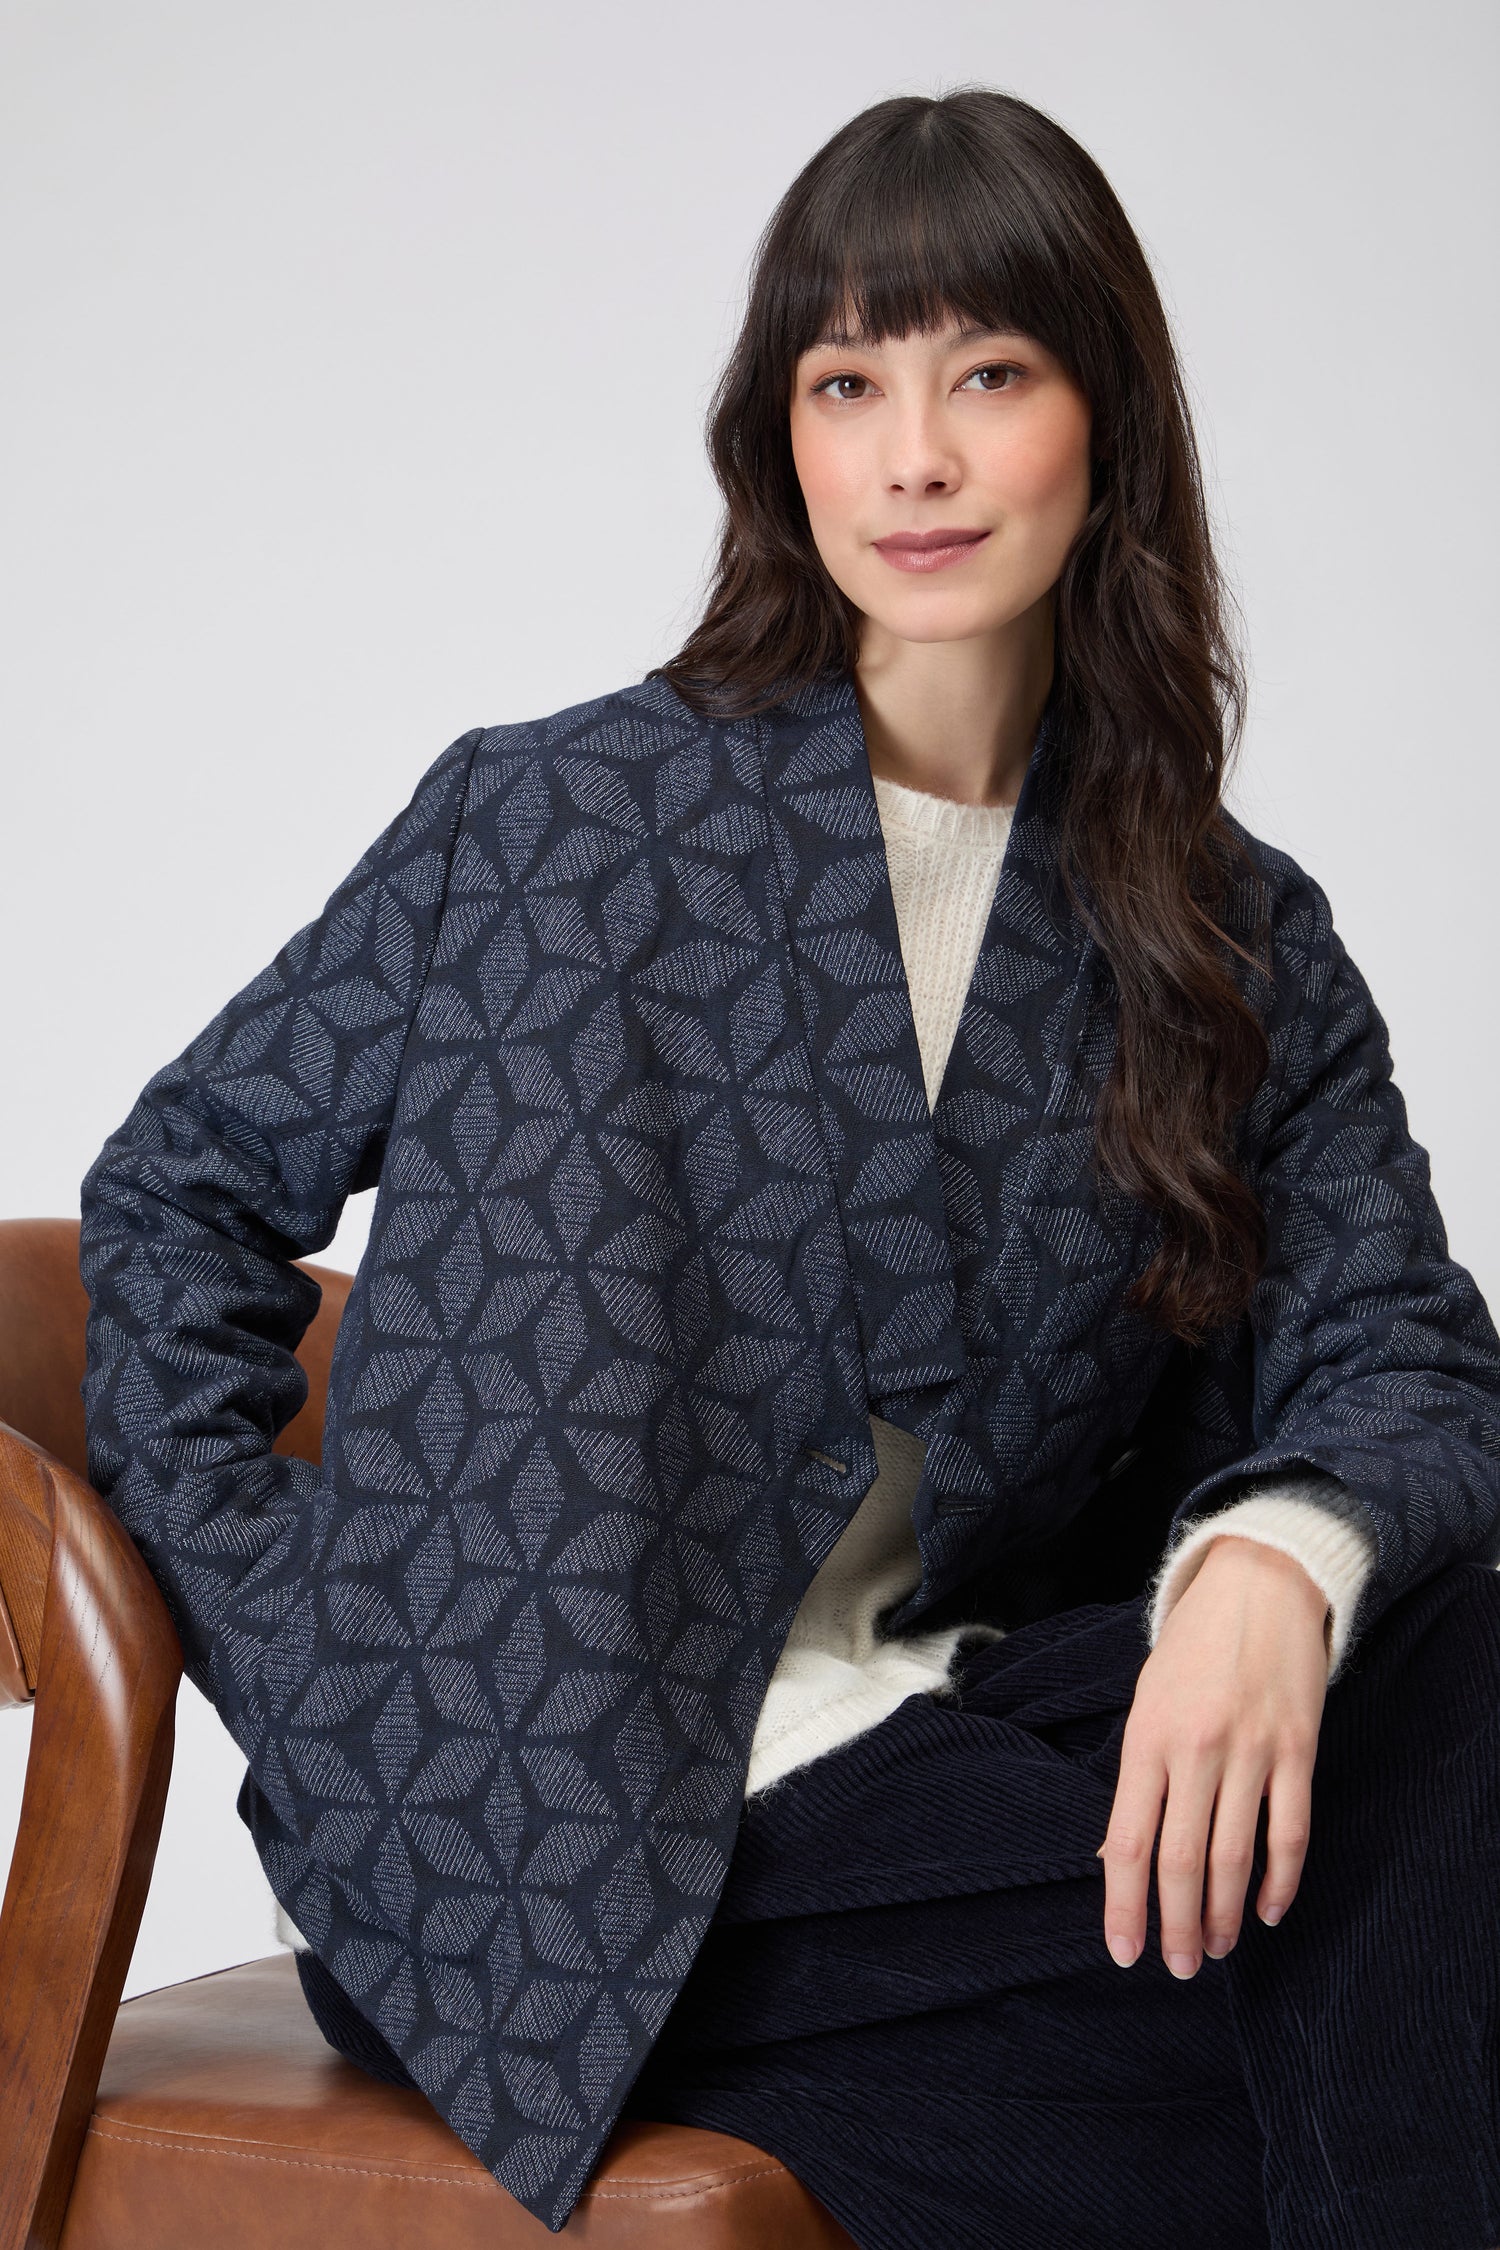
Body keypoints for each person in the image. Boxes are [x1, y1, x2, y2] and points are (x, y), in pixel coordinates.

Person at [78, 86, 1500, 2250]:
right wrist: (343, 1663)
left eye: (988, 376)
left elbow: (1410, 1356)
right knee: (1376, 1973)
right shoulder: (554, 823)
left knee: (1451, 1696)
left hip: (949, 1749)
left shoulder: (1229, 931)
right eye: (849, 385)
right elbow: (174, 1200)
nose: (913, 458)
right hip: (546, 1829)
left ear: (1108, 423)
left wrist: (1276, 1564)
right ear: (783, 438)